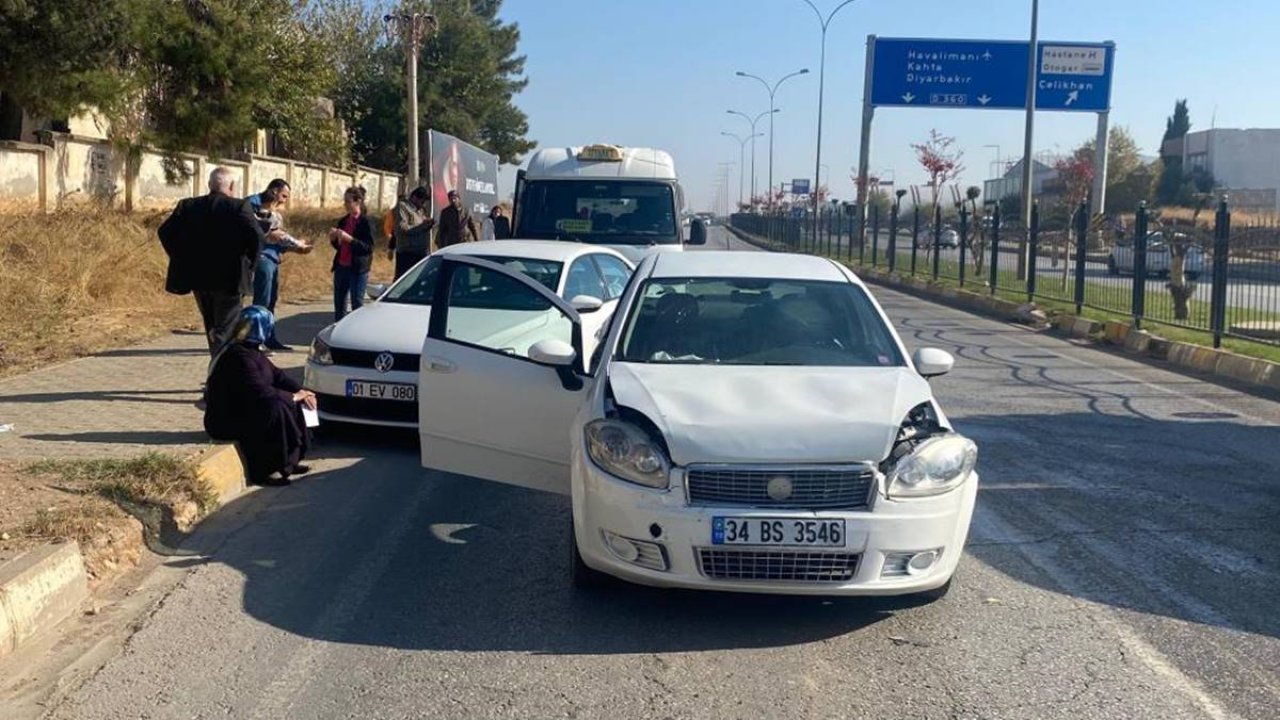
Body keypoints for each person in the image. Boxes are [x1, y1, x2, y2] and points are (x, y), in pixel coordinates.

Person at [158, 167, 271, 355]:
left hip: (199, 279)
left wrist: (181, 258)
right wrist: (251, 264)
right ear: (232, 186)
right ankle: (220, 378)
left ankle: (217, 374)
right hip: (230, 280)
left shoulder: (188, 206)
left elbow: (165, 232)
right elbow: (258, 237)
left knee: (212, 327)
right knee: (225, 331)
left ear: (209, 185)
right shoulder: (239, 207)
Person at [204, 306, 314, 487]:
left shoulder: (252, 351)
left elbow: (278, 376)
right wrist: (292, 396)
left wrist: (304, 392)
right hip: (225, 420)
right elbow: (259, 391)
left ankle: (289, 462)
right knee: (275, 407)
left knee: (291, 403)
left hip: (246, 409)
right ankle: (261, 472)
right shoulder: (237, 356)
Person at [250, 180, 313, 351]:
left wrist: (295, 249)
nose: (285, 200)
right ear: (274, 190)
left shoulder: (275, 211)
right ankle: (255, 341)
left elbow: (278, 241)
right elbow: (271, 233)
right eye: (283, 195)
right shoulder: (254, 203)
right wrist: (297, 243)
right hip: (261, 260)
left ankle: (269, 337)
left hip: (272, 259)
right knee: (261, 302)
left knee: (270, 301)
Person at [329, 186, 375, 321]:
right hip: (341, 266)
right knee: (339, 304)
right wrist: (334, 239)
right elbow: (340, 246)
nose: (345, 205)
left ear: (358, 202)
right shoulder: (343, 221)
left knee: (357, 304)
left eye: (348, 202)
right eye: (344, 202)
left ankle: (356, 332)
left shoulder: (366, 222)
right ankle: (337, 331)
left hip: (357, 269)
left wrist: (349, 239)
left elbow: (368, 247)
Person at [391, 186, 435, 279]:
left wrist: (428, 224)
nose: (423, 204)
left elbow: (420, 224)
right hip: (407, 253)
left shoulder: (420, 210)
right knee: (404, 281)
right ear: (414, 197)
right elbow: (402, 228)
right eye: (421, 200)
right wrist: (422, 226)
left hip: (420, 252)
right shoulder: (403, 207)